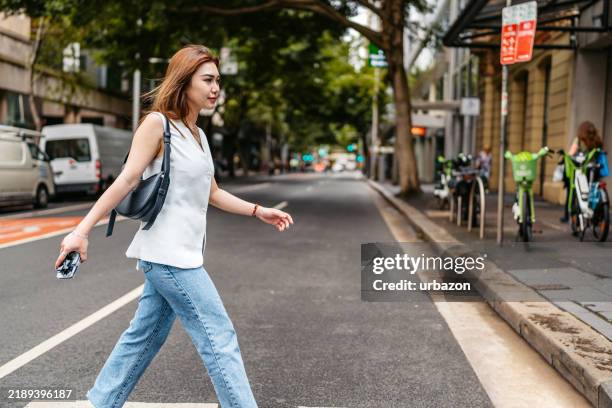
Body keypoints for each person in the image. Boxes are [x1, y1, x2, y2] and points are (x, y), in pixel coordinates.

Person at [54, 45, 293, 408]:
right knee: (219, 336)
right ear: (185, 81)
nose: (216, 88)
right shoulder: (157, 124)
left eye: (218, 81)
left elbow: (213, 192)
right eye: (208, 80)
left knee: (144, 337)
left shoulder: (196, 135)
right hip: (169, 257)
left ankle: (100, 403)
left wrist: (258, 210)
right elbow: (126, 180)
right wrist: (81, 230)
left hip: (178, 253)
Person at [560, 120, 604, 223]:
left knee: (574, 191)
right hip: (594, 170)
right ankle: (597, 217)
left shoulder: (579, 140)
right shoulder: (597, 140)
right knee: (594, 191)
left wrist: (564, 158)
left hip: (582, 170)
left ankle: (570, 216)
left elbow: (571, 153)